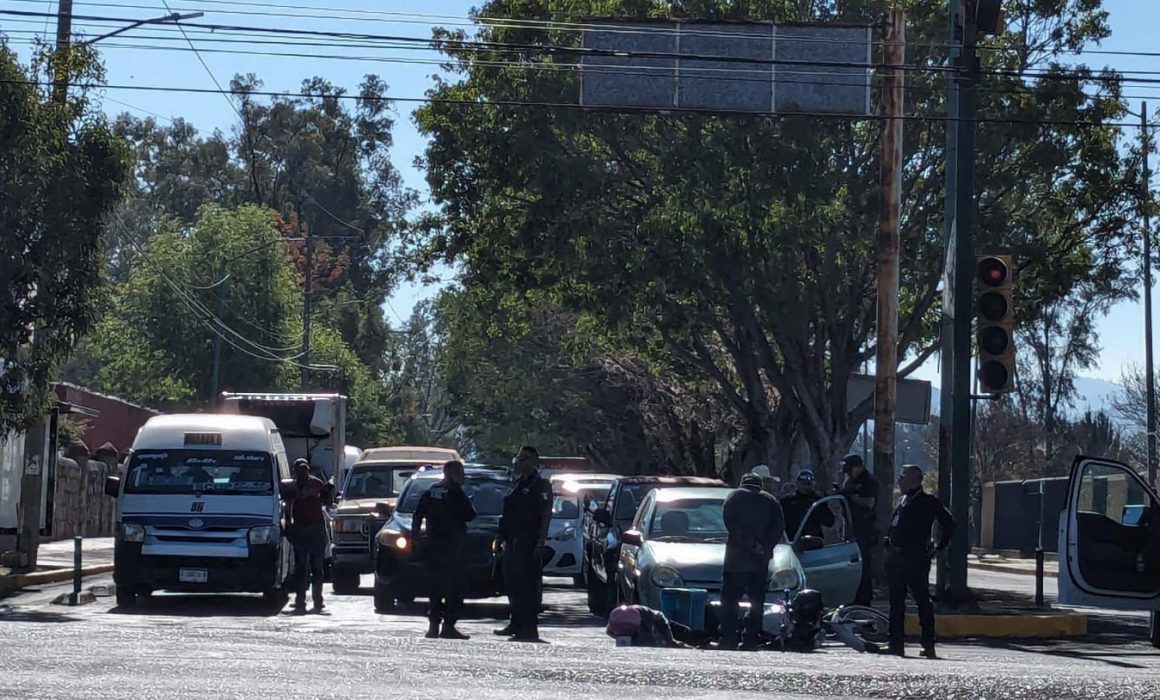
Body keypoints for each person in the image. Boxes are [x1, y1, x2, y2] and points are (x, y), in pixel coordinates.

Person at [885, 464, 955, 659]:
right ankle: (895, 644)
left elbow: (949, 524)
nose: (900, 480)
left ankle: (928, 644)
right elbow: (895, 525)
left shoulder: (928, 502)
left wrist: (938, 547)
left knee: (922, 601)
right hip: (897, 557)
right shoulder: (903, 500)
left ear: (914, 480)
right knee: (896, 603)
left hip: (916, 558)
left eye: (903, 476)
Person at [412, 460, 477, 640]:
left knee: (435, 587)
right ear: (452, 473)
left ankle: (433, 626)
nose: (462, 477)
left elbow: (417, 515)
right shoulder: (456, 492)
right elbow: (470, 514)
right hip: (452, 547)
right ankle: (448, 626)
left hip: (433, 546)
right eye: (460, 473)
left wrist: (415, 538)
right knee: (453, 588)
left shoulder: (431, 491)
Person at [720, 473, 785, 650]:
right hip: (759, 563)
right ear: (760, 485)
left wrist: (750, 544)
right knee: (757, 602)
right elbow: (779, 527)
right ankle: (750, 639)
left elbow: (731, 524)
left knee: (730, 602)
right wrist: (764, 547)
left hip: (735, 562)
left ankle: (728, 638)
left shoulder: (733, 497)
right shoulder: (771, 501)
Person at [495, 445, 553, 642]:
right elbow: (507, 513)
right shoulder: (516, 483)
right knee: (512, 584)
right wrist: (500, 537)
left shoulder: (541, 485)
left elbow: (545, 515)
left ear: (535, 461)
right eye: (519, 458)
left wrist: (541, 543)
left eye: (526, 458)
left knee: (527, 585)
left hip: (528, 542)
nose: (521, 462)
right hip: (512, 541)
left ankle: (529, 626)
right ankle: (516, 621)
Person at [288, 458, 333, 612]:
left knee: (317, 567)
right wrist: (289, 527)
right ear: (295, 471)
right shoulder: (291, 487)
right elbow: (287, 507)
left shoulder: (316, 483)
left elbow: (328, 502)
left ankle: (318, 601)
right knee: (301, 567)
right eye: (300, 470)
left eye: (305, 469)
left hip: (315, 529)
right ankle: (300, 600)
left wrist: (327, 492)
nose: (303, 472)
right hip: (300, 528)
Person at [840, 455, 880, 605]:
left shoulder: (868, 482)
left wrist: (850, 497)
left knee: (863, 568)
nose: (848, 474)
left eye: (850, 470)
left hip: (865, 530)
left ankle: (864, 601)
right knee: (852, 567)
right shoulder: (851, 482)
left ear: (858, 467)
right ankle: (853, 598)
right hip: (853, 530)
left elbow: (869, 503)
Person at [780, 469, 835, 540]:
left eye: (809, 483)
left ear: (813, 484)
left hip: (814, 542)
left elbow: (829, 522)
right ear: (797, 483)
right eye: (803, 483)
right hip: (792, 543)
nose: (806, 486)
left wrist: (815, 506)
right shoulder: (787, 501)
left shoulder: (818, 502)